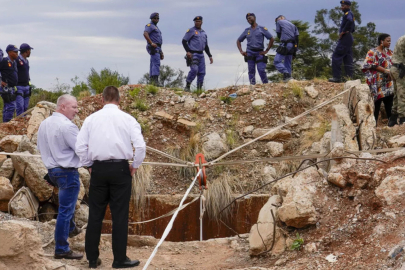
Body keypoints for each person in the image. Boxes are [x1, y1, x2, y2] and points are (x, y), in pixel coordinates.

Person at [76, 86, 146, 269]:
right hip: (121, 170)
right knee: (120, 216)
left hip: (98, 169)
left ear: (102, 99)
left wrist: (89, 165)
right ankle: (119, 259)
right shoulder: (128, 119)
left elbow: (80, 147)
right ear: (119, 100)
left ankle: (92, 259)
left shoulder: (91, 119)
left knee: (95, 215)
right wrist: (135, 166)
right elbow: (140, 147)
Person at [37, 94, 83, 260]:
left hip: (52, 171)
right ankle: (62, 248)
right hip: (67, 172)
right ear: (63, 106)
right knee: (65, 210)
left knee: (66, 205)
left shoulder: (44, 123)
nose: (77, 111)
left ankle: (71, 228)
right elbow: (81, 149)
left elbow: (39, 146)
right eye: (74, 107)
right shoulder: (67, 126)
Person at [361, 34, 394, 123]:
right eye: (388, 41)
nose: (390, 43)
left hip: (388, 82)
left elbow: (393, 63)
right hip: (377, 82)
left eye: (390, 41)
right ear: (381, 41)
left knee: (389, 102)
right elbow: (369, 64)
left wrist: (392, 72)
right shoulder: (372, 52)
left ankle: (391, 122)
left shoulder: (389, 52)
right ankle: (373, 124)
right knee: (377, 102)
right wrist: (386, 71)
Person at [237, 13, 274, 85]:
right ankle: (252, 86)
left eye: (250, 18)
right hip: (250, 52)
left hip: (259, 52)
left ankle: (266, 85)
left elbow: (271, 39)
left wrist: (267, 50)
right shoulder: (247, 30)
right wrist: (241, 51)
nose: (249, 20)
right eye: (247, 19)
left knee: (261, 70)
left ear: (254, 18)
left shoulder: (262, 28)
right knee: (251, 71)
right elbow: (238, 41)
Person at [182, 16, 213, 92]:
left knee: (202, 72)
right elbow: (184, 41)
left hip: (201, 54)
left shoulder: (203, 32)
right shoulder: (191, 30)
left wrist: (210, 55)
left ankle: (199, 89)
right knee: (194, 70)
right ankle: (187, 86)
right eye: (196, 21)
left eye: (199, 21)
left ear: (201, 22)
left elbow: (206, 46)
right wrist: (188, 51)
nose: (197, 23)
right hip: (193, 53)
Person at [329, 0, 355, 83]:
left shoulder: (348, 14)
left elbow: (350, 21)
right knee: (348, 58)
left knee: (336, 56)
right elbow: (353, 26)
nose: (342, 7)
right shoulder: (349, 14)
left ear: (348, 6)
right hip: (349, 37)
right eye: (341, 5)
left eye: (343, 6)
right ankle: (349, 78)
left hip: (345, 37)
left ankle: (337, 77)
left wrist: (343, 31)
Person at [274, 15, 299, 82]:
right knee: (287, 63)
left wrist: (283, 39)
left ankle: (286, 74)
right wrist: (294, 52)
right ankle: (288, 79)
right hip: (292, 45)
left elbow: (278, 34)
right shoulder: (293, 25)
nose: (276, 22)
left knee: (277, 61)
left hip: (285, 44)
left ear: (282, 18)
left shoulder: (279, 22)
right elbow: (297, 39)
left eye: (276, 20)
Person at [143, 12, 164, 86]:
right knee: (156, 63)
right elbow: (145, 33)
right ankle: (155, 81)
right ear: (151, 19)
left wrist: (161, 52)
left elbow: (158, 41)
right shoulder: (150, 26)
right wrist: (151, 43)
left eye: (157, 18)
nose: (156, 19)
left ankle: (152, 80)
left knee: (153, 63)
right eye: (155, 18)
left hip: (157, 47)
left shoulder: (156, 27)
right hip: (153, 46)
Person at [0, 45, 19, 122]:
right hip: (6, 87)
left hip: (12, 87)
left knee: (8, 106)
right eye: (15, 52)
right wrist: (1, 80)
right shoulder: (4, 61)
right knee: (10, 106)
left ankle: (5, 124)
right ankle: (7, 123)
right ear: (10, 52)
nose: (17, 53)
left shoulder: (14, 62)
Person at [389, 34, 405, 126]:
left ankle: (393, 118)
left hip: (395, 68)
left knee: (396, 94)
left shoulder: (401, 38)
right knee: (402, 94)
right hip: (401, 70)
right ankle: (403, 119)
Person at [16, 43, 33, 116]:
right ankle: (19, 122)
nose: (30, 52)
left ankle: (24, 123)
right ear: (26, 51)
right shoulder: (17, 60)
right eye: (29, 50)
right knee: (20, 107)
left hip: (26, 86)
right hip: (19, 86)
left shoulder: (26, 61)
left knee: (25, 107)